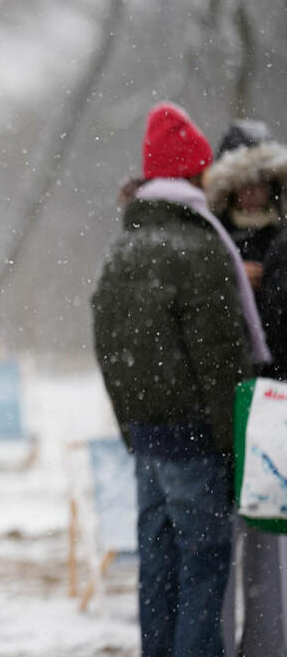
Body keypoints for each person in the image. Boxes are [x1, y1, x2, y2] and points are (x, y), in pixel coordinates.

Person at [91, 102, 255, 657]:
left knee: (157, 575)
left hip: (148, 444)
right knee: (203, 574)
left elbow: (108, 351)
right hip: (196, 442)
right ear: (195, 175)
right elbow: (221, 363)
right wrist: (236, 446)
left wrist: (130, 429)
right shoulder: (201, 249)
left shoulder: (122, 251)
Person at [204, 120, 287, 656]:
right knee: (217, 540)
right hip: (222, 405)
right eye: (245, 182)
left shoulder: (282, 239)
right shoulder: (211, 239)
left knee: (265, 534)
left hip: (272, 404)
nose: (253, 192)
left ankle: (264, 644)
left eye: (263, 181)